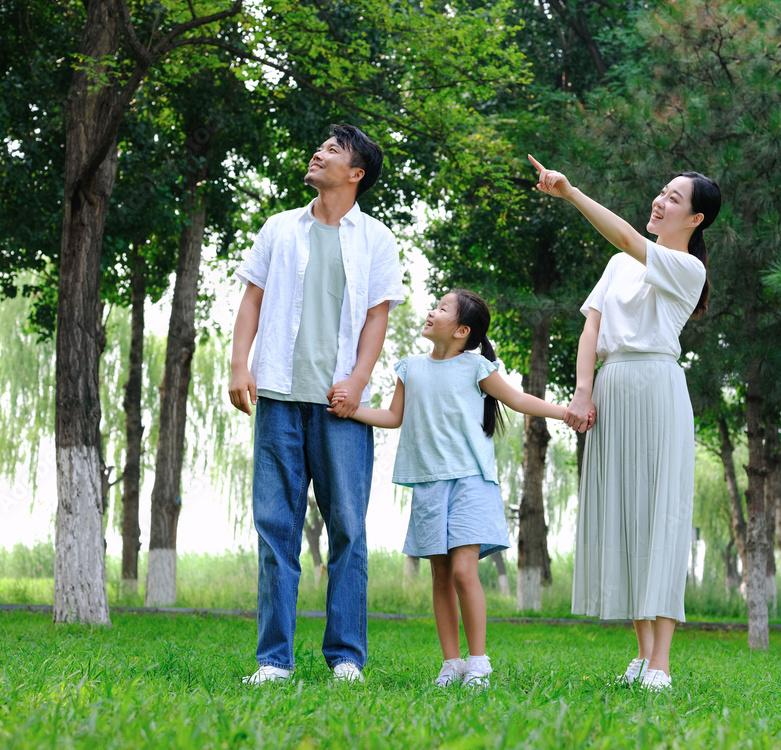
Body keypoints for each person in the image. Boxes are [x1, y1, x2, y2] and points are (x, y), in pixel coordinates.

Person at [528, 154, 721, 691]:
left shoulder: (687, 268)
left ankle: (660, 662)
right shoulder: (618, 268)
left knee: (659, 518)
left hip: (658, 389)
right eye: (662, 192)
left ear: (695, 219)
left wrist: (570, 192)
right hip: (613, 388)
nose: (660, 201)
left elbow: (626, 240)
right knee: (627, 517)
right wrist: (582, 393)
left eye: (674, 198)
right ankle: (641, 655)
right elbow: (592, 329)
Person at [228, 124, 403, 684]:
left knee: (348, 529)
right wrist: (239, 364)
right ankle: (273, 661)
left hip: (341, 407)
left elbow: (378, 316)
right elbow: (251, 300)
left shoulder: (376, 239)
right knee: (275, 528)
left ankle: (346, 656)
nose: (317, 153)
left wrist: (357, 379)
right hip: (279, 396)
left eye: (332, 151)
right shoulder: (280, 229)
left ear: (356, 174)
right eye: (320, 146)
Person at [329, 289, 567, 688]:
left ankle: (478, 662)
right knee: (439, 574)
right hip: (427, 483)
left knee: (462, 570)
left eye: (441, 308)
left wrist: (566, 412)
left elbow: (519, 400)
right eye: (434, 305)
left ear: (460, 330)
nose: (431, 311)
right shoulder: (410, 368)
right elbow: (392, 417)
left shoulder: (477, 368)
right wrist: (353, 411)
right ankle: (451, 663)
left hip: (471, 481)